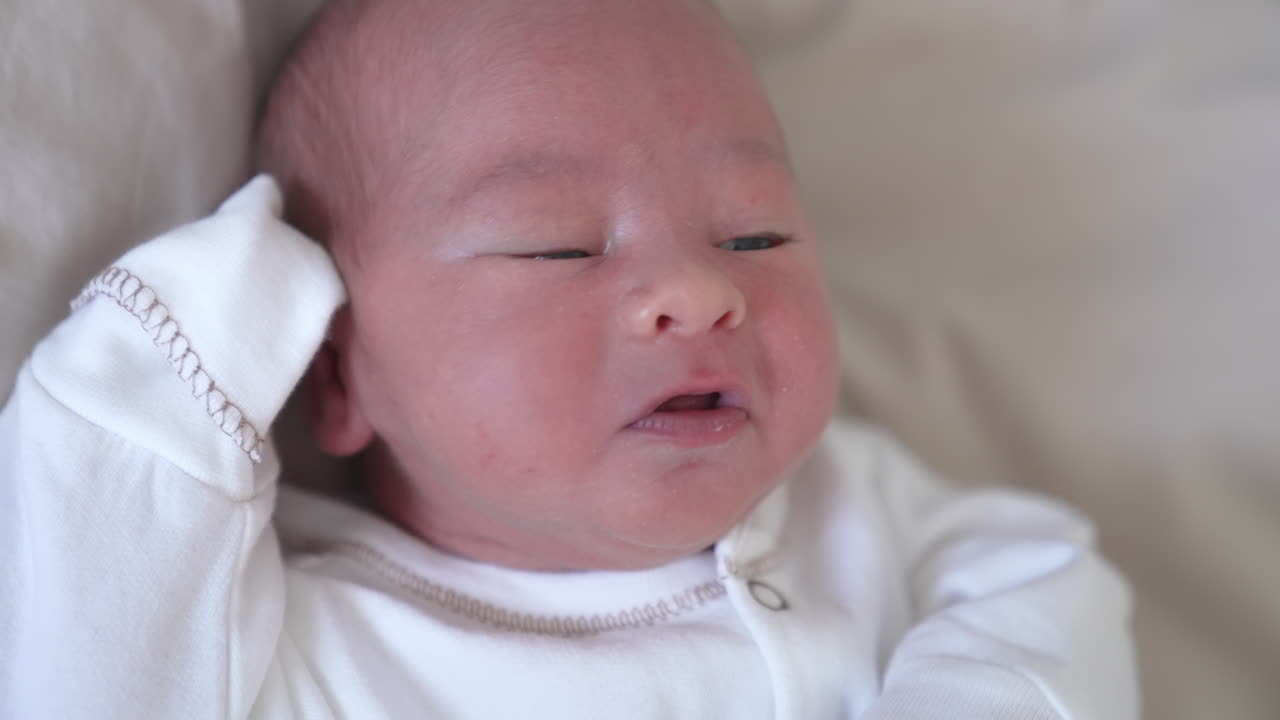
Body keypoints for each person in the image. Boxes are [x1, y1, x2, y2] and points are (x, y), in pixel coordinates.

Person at [0, 0, 1139, 717]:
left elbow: (1048, 575)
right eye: (555, 245)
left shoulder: (848, 499)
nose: (700, 290)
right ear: (336, 372)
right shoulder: (297, 650)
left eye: (753, 233)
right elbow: (84, 639)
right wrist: (176, 345)